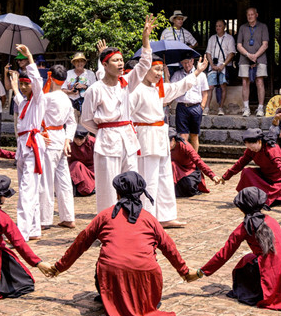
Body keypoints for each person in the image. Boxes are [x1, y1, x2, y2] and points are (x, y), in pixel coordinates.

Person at [50, 172, 198, 316]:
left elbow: (80, 243)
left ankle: (111, 297)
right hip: (146, 277)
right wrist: (184, 271)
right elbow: (170, 248)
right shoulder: (150, 219)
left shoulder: (105, 216)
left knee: (107, 262)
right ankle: (143, 299)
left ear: (117, 193)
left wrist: (59, 267)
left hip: (114, 275)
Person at [195, 187, 281, 311]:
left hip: (271, 274)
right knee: (252, 257)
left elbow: (224, 254)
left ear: (241, 207)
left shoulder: (244, 228)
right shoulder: (271, 220)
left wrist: (200, 272)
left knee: (245, 262)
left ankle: (254, 293)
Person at [81, 15, 154, 214]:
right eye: (115, 61)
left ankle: (131, 219)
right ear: (105, 65)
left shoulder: (126, 83)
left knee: (131, 181)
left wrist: (145, 39)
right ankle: (107, 223)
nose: (121, 64)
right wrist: (104, 130)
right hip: (107, 141)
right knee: (107, 186)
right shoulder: (95, 89)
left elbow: (144, 64)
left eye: (121, 60)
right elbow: (86, 120)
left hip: (128, 139)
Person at [130, 54, 208, 227]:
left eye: (161, 69)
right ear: (145, 69)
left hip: (160, 135)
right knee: (149, 178)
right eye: (156, 69)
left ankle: (166, 216)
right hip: (145, 136)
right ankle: (148, 216)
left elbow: (179, 87)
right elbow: (127, 115)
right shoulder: (135, 90)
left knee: (164, 177)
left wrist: (197, 72)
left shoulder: (159, 89)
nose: (159, 73)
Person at [9, 46, 46, 241]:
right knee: (30, 188)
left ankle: (21, 232)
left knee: (26, 190)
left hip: (33, 147)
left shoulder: (39, 100)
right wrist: (15, 84)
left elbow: (37, 81)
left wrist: (30, 57)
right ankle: (33, 229)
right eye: (22, 84)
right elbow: (17, 96)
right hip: (22, 148)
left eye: (27, 84)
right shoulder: (24, 103)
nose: (24, 87)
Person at [41, 64, 77, 229]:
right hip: (61, 139)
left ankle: (44, 219)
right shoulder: (66, 98)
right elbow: (72, 122)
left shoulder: (47, 98)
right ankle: (68, 216)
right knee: (63, 180)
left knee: (46, 180)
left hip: (49, 138)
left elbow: (37, 117)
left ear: (50, 77)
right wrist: (68, 139)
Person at [222, 128, 281, 207]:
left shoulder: (271, 149)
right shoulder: (251, 150)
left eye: (253, 148)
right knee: (247, 172)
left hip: (278, 178)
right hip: (265, 175)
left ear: (259, 141)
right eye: (249, 148)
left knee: (276, 194)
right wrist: (225, 176)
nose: (251, 150)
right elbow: (240, 163)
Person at [171, 56, 210, 152]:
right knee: (183, 135)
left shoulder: (201, 75)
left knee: (194, 135)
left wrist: (202, 107)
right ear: (181, 63)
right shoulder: (177, 75)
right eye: (184, 62)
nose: (187, 65)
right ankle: (185, 157)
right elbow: (171, 89)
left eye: (188, 62)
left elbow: (205, 93)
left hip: (195, 107)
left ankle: (194, 158)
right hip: (182, 106)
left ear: (192, 61)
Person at [170, 128, 221, 197]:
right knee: (172, 164)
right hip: (174, 170)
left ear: (173, 140)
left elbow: (198, 160)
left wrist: (212, 175)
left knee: (189, 187)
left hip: (189, 170)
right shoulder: (163, 148)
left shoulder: (185, 145)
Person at [237, 7, 269, 117]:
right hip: (244, 58)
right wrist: (248, 55)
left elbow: (265, 44)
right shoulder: (242, 27)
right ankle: (246, 108)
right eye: (248, 14)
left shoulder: (263, 27)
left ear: (256, 15)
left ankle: (260, 108)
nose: (250, 16)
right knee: (245, 82)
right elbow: (239, 45)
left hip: (260, 58)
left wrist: (255, 56)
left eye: (252, 14)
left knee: (259, 81)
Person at [204, 19, 236, 115]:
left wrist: (223, 64)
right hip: (213, 67)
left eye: (220, 26)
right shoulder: (212, 38)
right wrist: (212, 64)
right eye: (216, 26)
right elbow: (208, 52)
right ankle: (206, 108)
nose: (217, 28)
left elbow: (231, 53)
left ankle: (220, 108)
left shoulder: (229, 38)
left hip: (224, 66)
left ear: (224, 27)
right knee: (210, 87)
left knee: (223, 87)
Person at [4, 51, 31, 135]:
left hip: (29, 104)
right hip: (17, 105)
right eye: (18, 60)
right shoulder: (16, 71)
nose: (19, 62)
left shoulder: (32, 72)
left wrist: (19, 77)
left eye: (21, 60)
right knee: (17, 129)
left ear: (27, 59)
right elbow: (8, 87)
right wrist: (6, 73)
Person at [69, 126, 96, 196]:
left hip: (92, 170)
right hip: (75, 170)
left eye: (81, 139)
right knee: (76, 165)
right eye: (76, 139)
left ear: (86, 137)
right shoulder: (69, 144)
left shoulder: (93, 142)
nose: (78, 141)